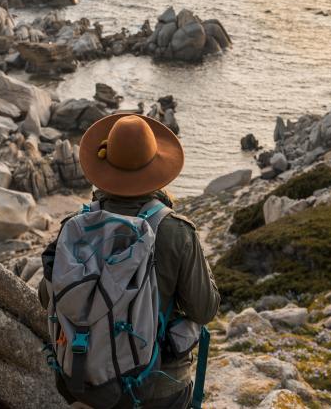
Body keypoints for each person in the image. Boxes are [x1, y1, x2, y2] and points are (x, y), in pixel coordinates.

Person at [39, 113, 220, 409]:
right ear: (156, 168)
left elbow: (46, 296)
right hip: (157, 388)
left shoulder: (75, 226)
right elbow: (204, 309)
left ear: (105, 166)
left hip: (84, 379)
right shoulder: (176, 231)